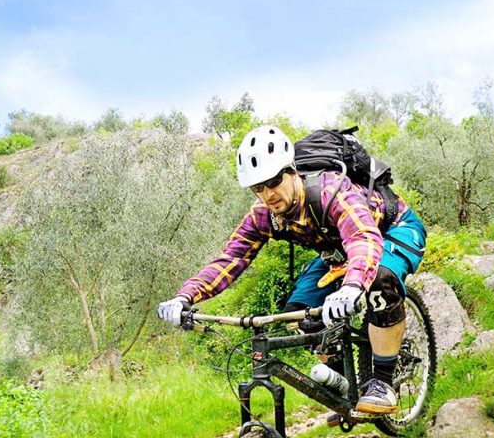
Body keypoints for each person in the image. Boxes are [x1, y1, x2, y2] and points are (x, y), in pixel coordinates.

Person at [158, 125, 426, 414]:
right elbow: (228, 261)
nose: (268, 194)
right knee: (297, 313)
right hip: (338, 252)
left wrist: (352, 285)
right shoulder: (264, 216)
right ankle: (343, 382)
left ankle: (382, 383)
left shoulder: (329, 191)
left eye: (273, 181)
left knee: (380, 283)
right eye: (258, 188)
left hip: (393, 230)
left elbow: (363, 238)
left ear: (292, 171)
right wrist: (185, 298)